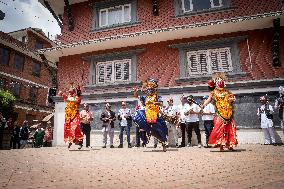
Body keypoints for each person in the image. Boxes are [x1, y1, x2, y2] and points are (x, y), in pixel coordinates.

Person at [201, 73, 238, 151]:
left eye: (221, 80)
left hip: (228, 113)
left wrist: (231, 99)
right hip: (220, 114)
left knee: (230, 129)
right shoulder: (213, 92)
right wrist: (204, 105)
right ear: (215, 83)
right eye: (218, 80)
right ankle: (221, 146)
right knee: (220, 129)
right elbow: (209, 99)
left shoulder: (227, 92)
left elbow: (233, 98)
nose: (220, 82)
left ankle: (230, 145)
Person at [133, 77, 168, 151]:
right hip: (147, 115)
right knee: (138, 117)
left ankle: (163, 142)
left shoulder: (157, 96)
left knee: (159, 130)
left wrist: (153, 102)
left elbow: (161, 103)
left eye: (150, 90)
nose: (149, 91)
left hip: (155, 116)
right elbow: (136, 96)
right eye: (148, 90)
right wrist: (135, 91)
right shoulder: (145, 97)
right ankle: (145, 139)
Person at [58, 83, 84, 149]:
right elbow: (67, 99)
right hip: (68, 116)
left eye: (71, 91)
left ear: (74, 92)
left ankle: (79, 142)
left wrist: (63, 95)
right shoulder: (69, 98)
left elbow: (71, 100)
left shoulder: (77, 98)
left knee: (75, 127)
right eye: (69, 92)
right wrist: (62, 95)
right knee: (68, 128)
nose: (69, 93)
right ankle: (70, 141)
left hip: (75, 115)